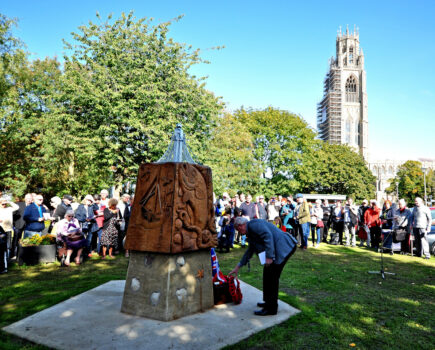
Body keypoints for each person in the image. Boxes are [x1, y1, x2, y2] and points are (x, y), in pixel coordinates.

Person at [229, 217, 298, 316]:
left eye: (238, 229)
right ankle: (268, 302)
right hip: (277, 248)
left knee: (272, 277)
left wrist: (269, 256)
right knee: (267, 275)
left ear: (241, 226)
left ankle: (271, 308)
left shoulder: (254, 225)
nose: (239, 232)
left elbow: (268, 236)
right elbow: (250, 251)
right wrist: (238, 266)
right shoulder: (250, 231)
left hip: (285, 247)